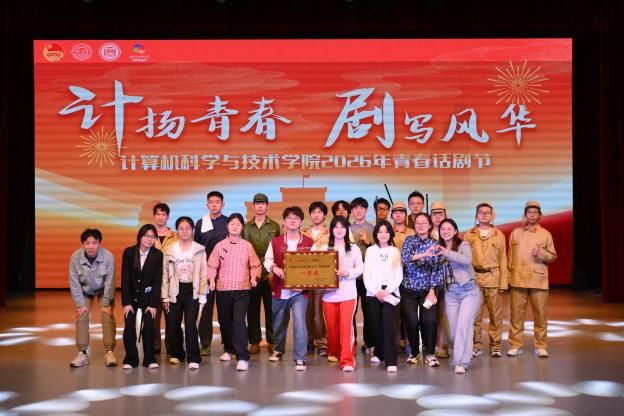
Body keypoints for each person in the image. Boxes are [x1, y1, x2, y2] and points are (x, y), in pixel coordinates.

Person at [208, 213, 261, 371]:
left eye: (238, 224)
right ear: (227, 226)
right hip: (223, 288)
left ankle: (242, 357)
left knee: (239, 321)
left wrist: (254, 278)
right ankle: (229, 349)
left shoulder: (247, 246)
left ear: (242, 227)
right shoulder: (220, 245)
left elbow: (255, 265)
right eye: (232, 224)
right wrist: (211, 279)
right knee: (225, 321)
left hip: (242, 289)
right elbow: (212, 265)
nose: (235, 226)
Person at [264, 206, 314, 370]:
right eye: (289, 218)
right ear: (284, 222)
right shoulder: (276, 241)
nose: (292, 220)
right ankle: (278, 349)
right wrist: (274, 268)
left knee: (299, 323)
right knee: (279, 323)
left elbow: (315, 265)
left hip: (300, 292)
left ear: (301, 221)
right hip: (280, 289)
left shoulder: (309, 242)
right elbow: (267, 260)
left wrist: (304, 284)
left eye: (296, 218)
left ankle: (300, 357)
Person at [507, 201, 557, 358]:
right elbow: (509, 257)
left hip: (538, 280)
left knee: (540, 315)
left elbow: (553, 256)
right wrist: (508, 277)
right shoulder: (515, 233)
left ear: (540, 215)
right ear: (525, 215)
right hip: (518, 278)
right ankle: (516, 345)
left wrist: (541, 253)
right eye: (529, 212)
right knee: (516, 315)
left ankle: (541, 345)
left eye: (535, 212)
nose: (532, 215)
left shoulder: (545, 234)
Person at [162, 216, 208, 369]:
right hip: (175, 290)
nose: (184, 231)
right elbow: (165, 274)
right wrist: (165, 296)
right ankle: (177, 354)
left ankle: (194, 357)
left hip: (192, 291)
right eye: (181, 228)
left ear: (192, 230)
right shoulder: (169, 249)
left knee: (190, 324)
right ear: (177, 230)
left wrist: (203, 294)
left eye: (187, 228)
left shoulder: (200, 249)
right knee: (173, 324)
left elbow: (203, 273)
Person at [400, 213, 445, 367]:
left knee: (429, 320)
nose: (420, 226)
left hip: (427, 292)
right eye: (417, 223)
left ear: (430, 225)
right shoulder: (409, 241)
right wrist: (425, 254)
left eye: (424, 223)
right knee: (412, 321)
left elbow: (437, 269)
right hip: (408, 290)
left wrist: (433, 290)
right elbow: (406, 258)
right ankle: (414, 353)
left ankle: (430, 354)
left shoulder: (435, 243)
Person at [464, 202, 508, 358]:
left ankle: (495, 345)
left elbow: (503, 259)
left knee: (495, 315)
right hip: (474, 278)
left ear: (492, 215)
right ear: (476, 215)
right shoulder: (469, 234)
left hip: (493, 278)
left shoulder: (499, 235)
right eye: (481, 212)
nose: (484, 214)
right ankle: (476, 345)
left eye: (487, 212)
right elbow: (465, 259)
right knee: (475, 315)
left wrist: (503, 283)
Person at [438, 219, 482, 374]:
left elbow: (467, 259)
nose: (446, 231)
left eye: (449, 229)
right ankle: (462, 354)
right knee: (453, 331)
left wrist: (446, 253)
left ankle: (461, 362)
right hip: (451, 292)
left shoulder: (464, 245)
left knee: (464, 326)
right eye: (443, 229)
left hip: (469, 290)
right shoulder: (438, 247)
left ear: (455, 231)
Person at [68, 229, 117, 368]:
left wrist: (106, 303)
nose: (91, 246)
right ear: (83, 244)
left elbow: (110, 282)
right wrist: (80, 304)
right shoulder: (75, 257)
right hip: (85, 291)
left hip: (103, 290)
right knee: (82, 315)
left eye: (94, 243)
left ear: (99, 243)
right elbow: (74, 282)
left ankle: (109, 352)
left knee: (107, 315)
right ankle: (82, 353)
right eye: (87, 243)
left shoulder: (108, 257)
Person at [321, 216, 363, 372]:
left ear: (347, 230)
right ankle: (334, 352)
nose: (339, 230)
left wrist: (348, 273)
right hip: (328, 295)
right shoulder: (324, 248)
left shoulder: (353, 248)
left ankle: (347, 361)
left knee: (346, 326)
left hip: (348, 294)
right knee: (332, 328)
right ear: (331, 229)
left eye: (342, 227)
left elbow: (360, 268)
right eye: (336, 227)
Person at [243, 193, 280, 355]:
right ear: (253, 206)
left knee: (272, 310)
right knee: (252, 310)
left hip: (270, 273)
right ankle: (254, 341)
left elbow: (279, 250)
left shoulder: (275, 226)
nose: (260, 206)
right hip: (251, 274)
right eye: (257, 203)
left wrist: (274, 270)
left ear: (267, 206)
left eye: (263, 203)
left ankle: (272, 341)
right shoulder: (245, 227)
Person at [121, 224, 163, 369]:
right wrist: (126, 303)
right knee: (129, 326)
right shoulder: (129, 252)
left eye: (153, 237)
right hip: (131, 298)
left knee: (149, 326)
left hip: (149, 298)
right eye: (146, 236)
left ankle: (150, 358)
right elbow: (125, 279)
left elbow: (157, 281)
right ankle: (130, 359)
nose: (149, 239)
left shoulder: (158, 255)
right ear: (140, 236)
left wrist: (153, 304)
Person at [363, 220, 403, 373]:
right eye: (380, 232)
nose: (383, 234)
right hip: (373, 292)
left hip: (390, 292)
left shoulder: (395, 251)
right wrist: (375, 291)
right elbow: (366, 274)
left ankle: (391, 360)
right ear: (376, 234)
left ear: (390, 234)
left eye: (386, 231)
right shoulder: (370, 250)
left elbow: (399, 274)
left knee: (388, 324)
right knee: (376, 324)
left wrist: (387, 290)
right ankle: (379, 353)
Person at [194, 191, 228, 356]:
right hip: (206, 272)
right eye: (211, 202)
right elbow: (196, 247)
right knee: (206, 309)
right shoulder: (201, 223)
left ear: (223, 205)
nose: (214, 205)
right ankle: (205, 343)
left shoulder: (229, 222)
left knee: (225, 309)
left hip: (226, 272)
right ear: (207, 205)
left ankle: (228, 343)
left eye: (217, 202)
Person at [302, 201, 330, 356]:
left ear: (324, 215)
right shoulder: (303, 232)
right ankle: (309, 339)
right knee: (308, 311)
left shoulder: (330, 233)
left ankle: (322, 342)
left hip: (322, 276)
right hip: (305, 276)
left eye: (319, 212)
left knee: (319, 311)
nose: (316, 215)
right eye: (313, 212)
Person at [350, 197, 375, 353]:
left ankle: (370, 342)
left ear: (366, 210)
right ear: (352, 211)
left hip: (368, 277)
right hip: (351, 278)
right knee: (350, 311)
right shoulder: (346, 229)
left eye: (362, 208)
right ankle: (351, 343)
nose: (358, 211)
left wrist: (368, 243)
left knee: (369, 311)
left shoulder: (373, 229)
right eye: (355, 208)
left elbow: (379, 251)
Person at [152, 202, 177, 355]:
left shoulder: (175, 236)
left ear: (168, 216)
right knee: (154, 317)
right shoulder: (148, 235)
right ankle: (155, 346)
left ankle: (171, 345)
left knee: (172, 317)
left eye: (163, 214)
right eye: (158, 214)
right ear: (154, 216)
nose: (160, 217)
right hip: (153, 282)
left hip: (171, 282)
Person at [429, 200, 449, 358]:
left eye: (440, 213)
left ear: (445, 214)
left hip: (446, 282)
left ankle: (442, 345)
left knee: (443, 314)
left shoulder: (450, 233)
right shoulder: (425, 234)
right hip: (427, 284)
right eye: (434, 214)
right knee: (428, 313)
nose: (437, 217)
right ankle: (428, 344)